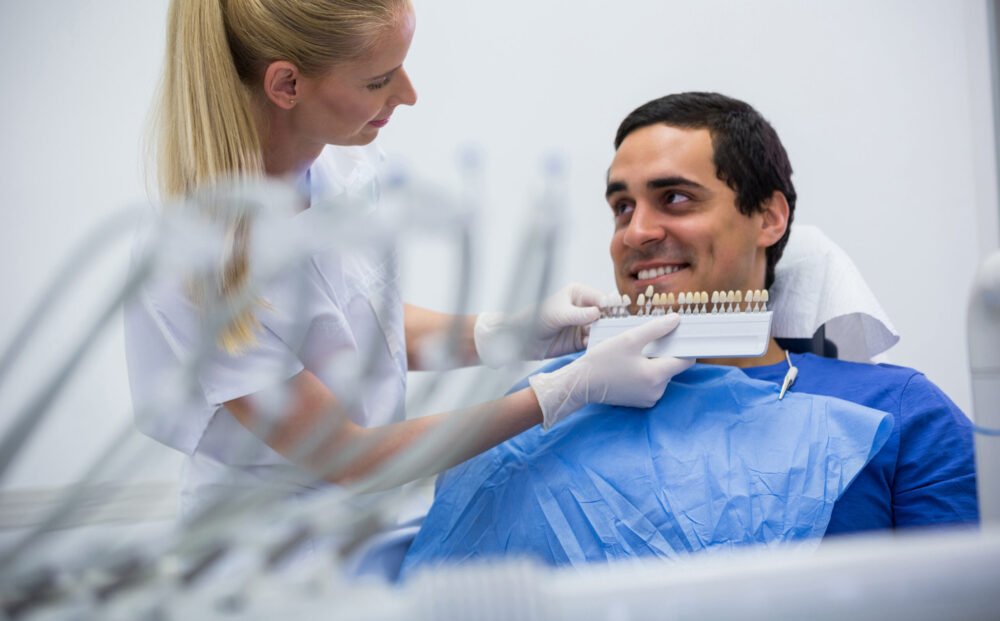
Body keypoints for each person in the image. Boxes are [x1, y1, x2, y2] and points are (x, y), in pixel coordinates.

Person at [123, 0, 694, 523]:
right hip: (262, 551)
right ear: (287, 84)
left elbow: (355, 327)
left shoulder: (345, 169)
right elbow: (348, 456)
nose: (409, 94)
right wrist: (563, 392)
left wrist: (511, 334)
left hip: (370, 516)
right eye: (378, 80)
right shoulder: (193, 262)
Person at [400, 92, 978, 574]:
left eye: (674, 198)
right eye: (621, 208)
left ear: (769, 218)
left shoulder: (900, 415)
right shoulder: (544, 408)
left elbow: (960, 598)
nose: (637, 232)